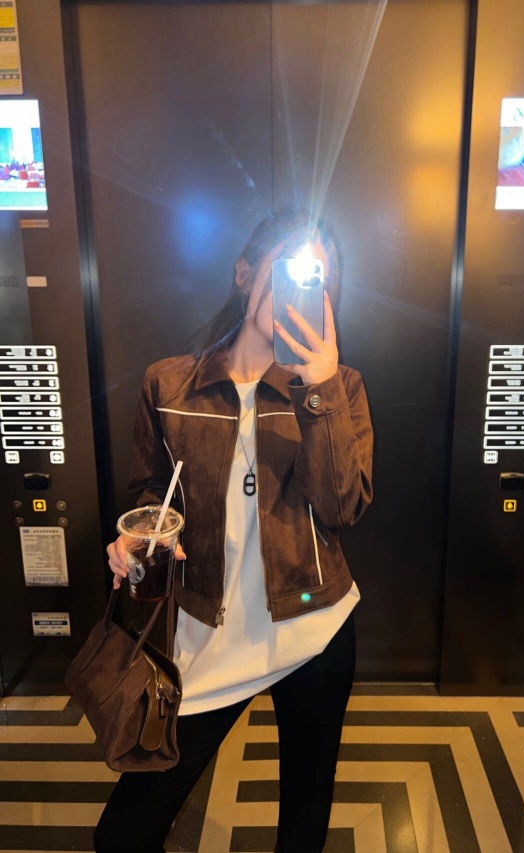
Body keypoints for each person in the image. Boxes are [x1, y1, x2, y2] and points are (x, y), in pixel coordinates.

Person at [94, 209, 374, 853]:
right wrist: (137, 537)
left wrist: (319, 388)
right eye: (289, 269)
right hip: (207, 633)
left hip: (314, 630)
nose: (301, 290)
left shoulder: (340, 388)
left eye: (319, 279)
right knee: (123, 836)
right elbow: (151, 492)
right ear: (245, 274)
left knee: (305, 817)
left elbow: (341, 507)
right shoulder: (169, 384)